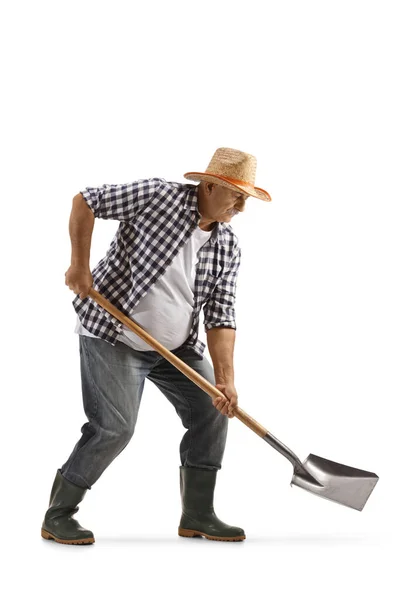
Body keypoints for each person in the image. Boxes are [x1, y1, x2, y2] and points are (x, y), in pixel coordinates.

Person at [41, 147, 272, 545]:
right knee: (114, 428)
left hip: (176, 347)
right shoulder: (156, 196)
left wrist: (226, 380)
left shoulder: (227, 246)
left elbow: (221, 317)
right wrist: (79, 265)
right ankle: (59, 515)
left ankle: (198, 514)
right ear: (212, 186)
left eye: (246, 199)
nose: (241, 207)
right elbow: (86, 201)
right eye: (237, 196)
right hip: (114, 334)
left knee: (212, 409)